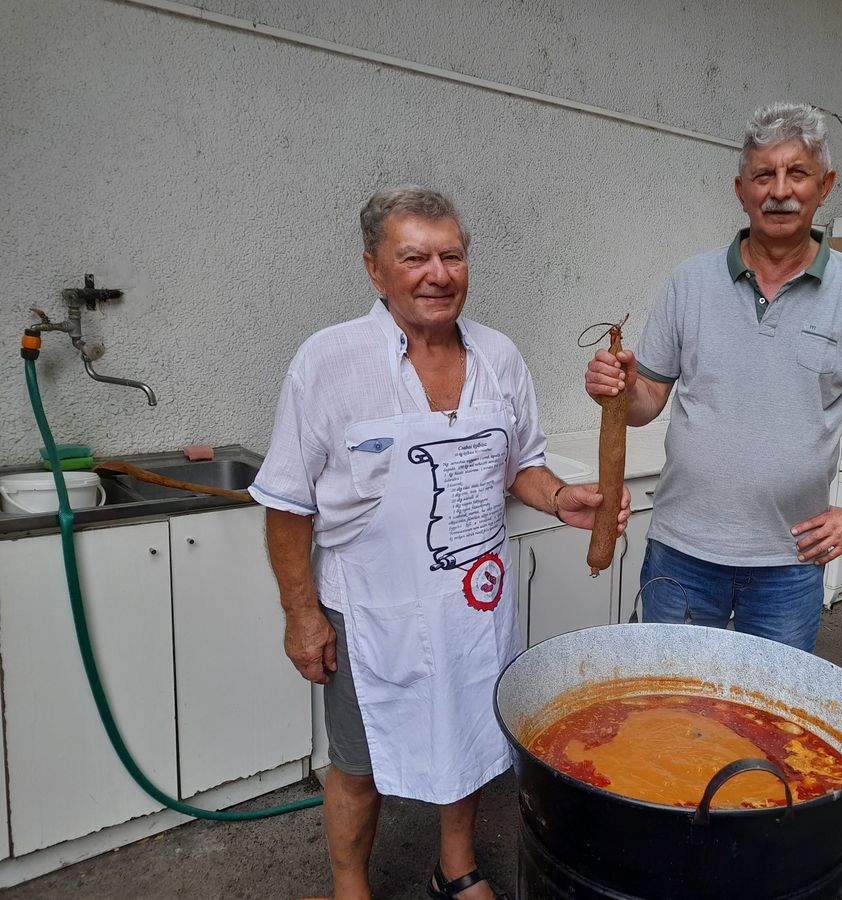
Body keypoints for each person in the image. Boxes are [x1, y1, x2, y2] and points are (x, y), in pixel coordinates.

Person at [251, 187, 629, 900]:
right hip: (370, 614)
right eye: (415, 257)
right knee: (358, 765)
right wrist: (302, 614)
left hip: (471, 604)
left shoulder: (498, 356)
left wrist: (561, 498)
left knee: (472, 741)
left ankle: (455, 868)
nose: (438, 273)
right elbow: (285, 505)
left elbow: (521, 464)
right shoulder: (328, 361)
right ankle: (350, 888)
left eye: (451, 255)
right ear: (375, 271)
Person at [585, 102, 842, 653]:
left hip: (788, 563)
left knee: (767, 722)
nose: (780, 190)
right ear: (740, 189)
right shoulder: (691, 281)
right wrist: (620, 388)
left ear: (825, 186)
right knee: (670, 712)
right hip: (681, 554)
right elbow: (647, 402)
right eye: (764, 175)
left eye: (797, 173)